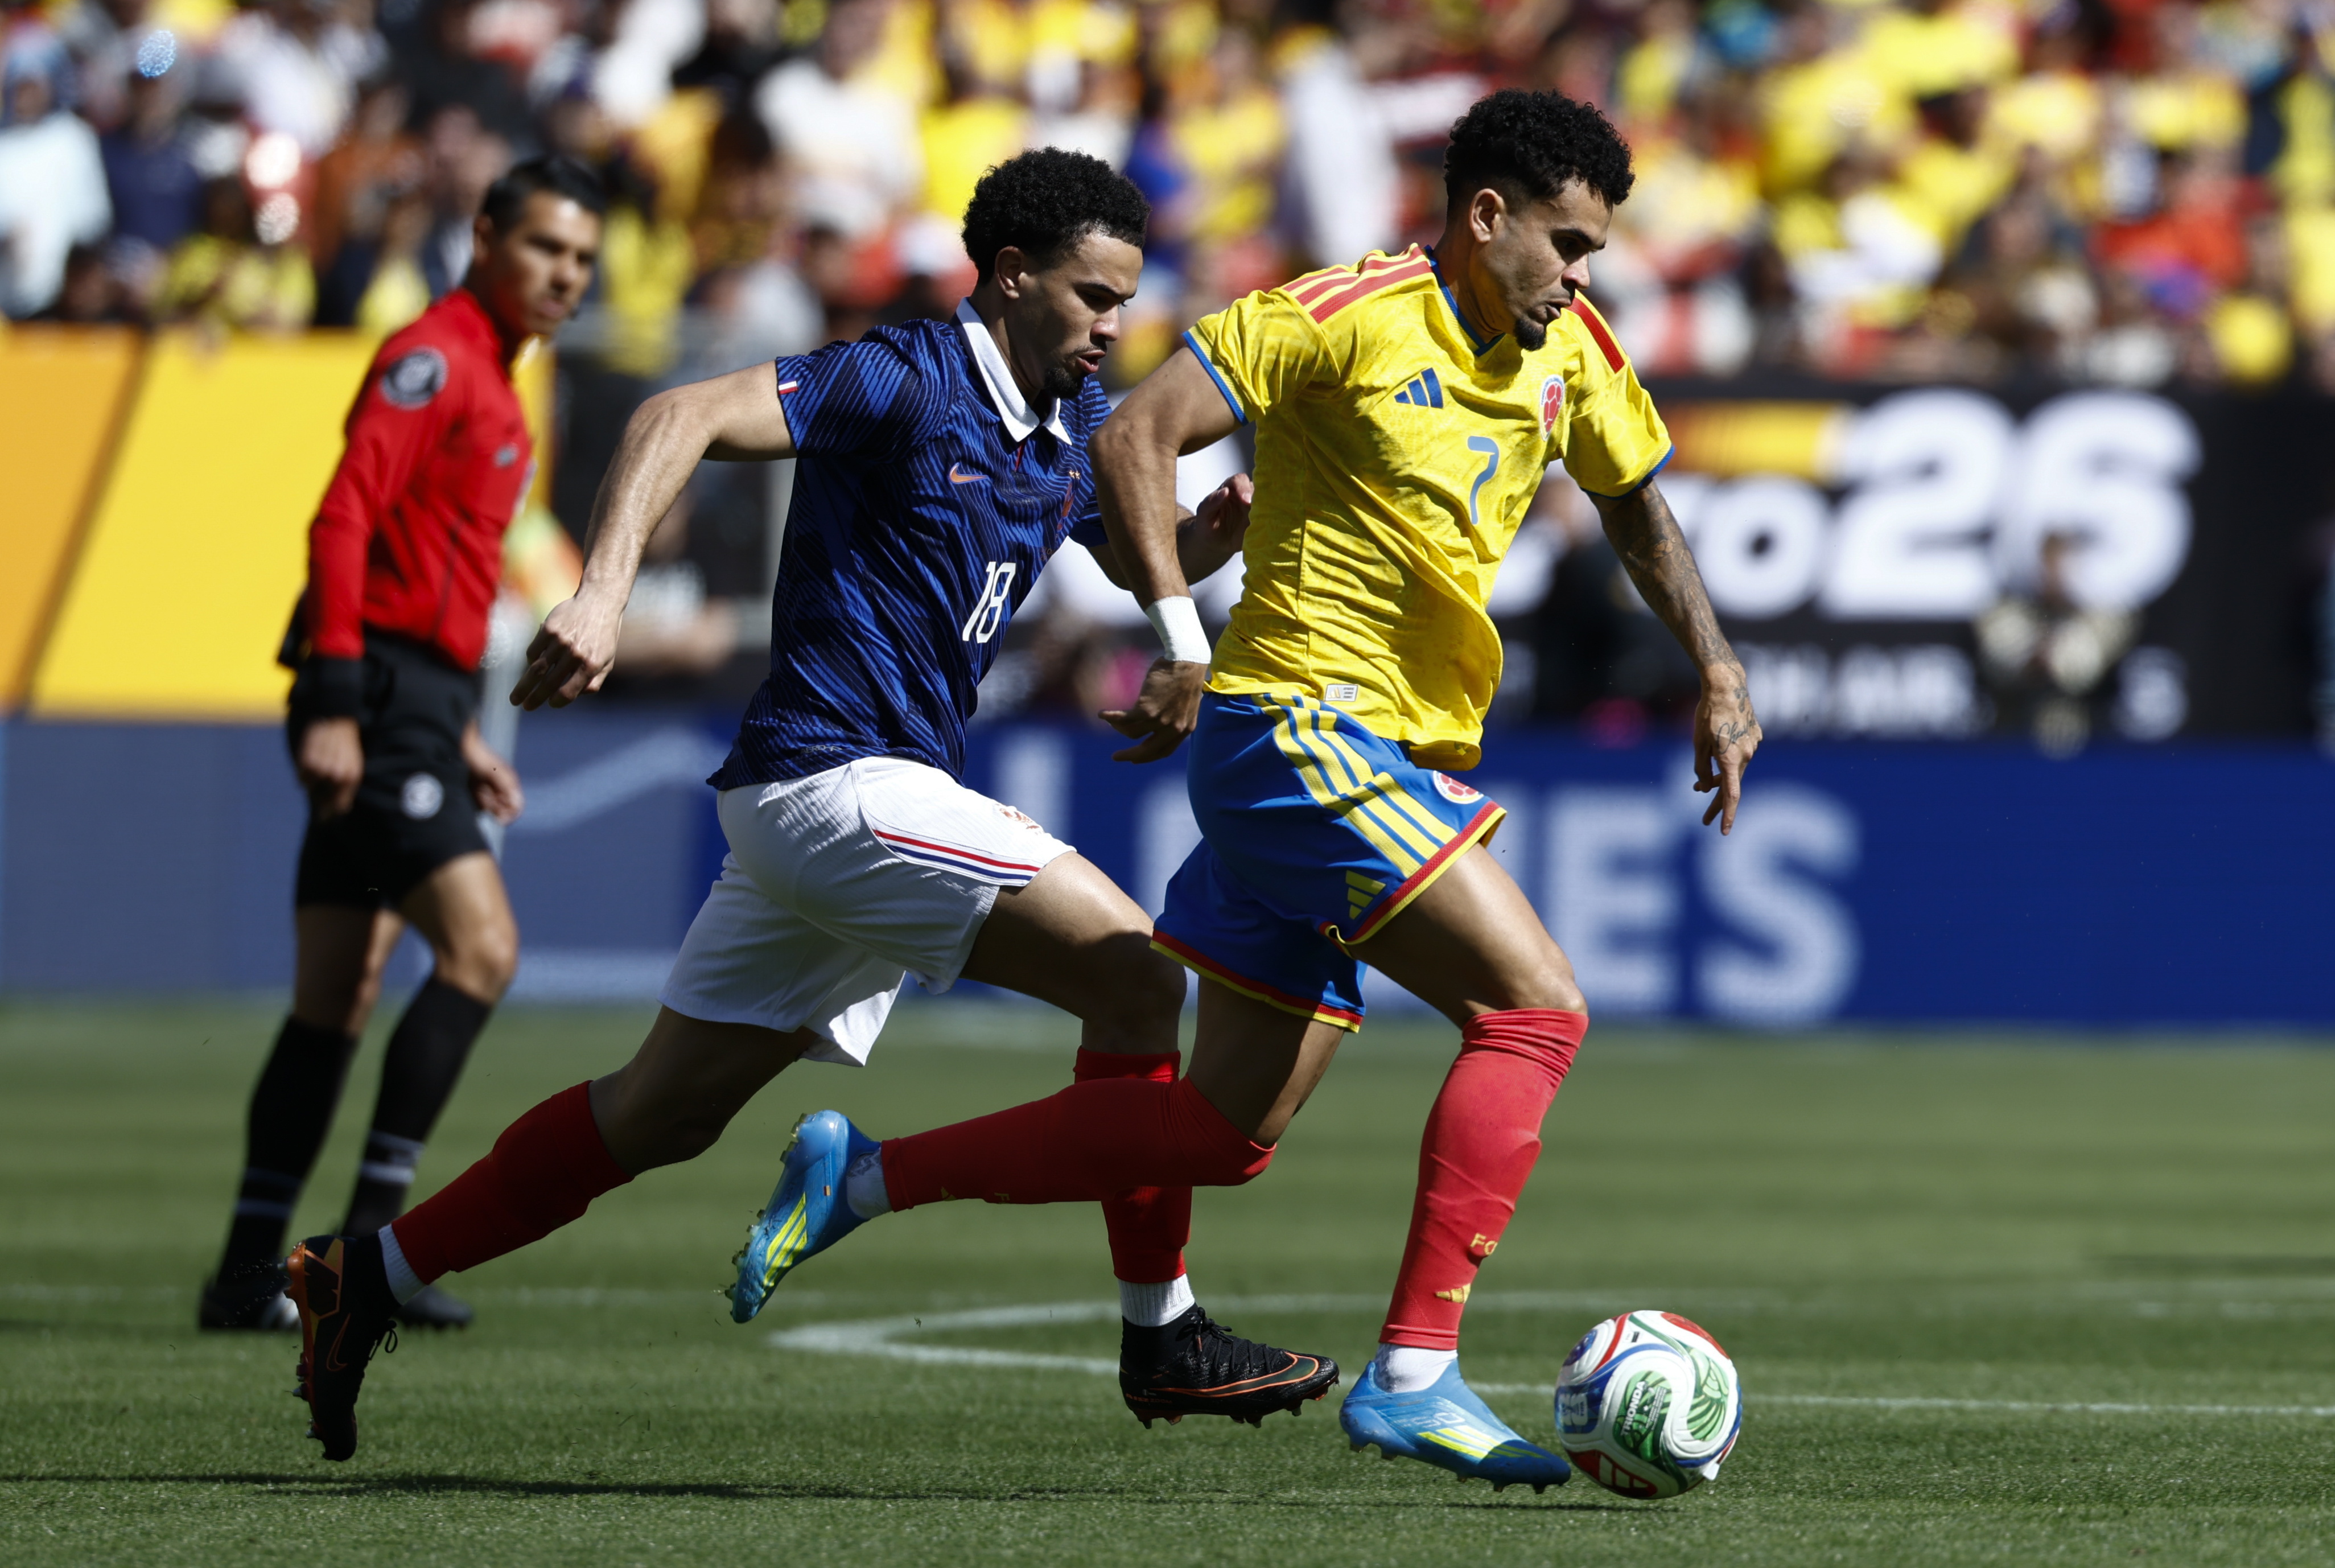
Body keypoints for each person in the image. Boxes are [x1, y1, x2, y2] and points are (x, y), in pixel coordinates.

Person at [751, 90, 1764, 1492]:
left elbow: (1639, 505)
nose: (1583, 275)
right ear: (1485, 217)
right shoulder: (1338, 312)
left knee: (1217, 1135)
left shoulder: (1571, 354)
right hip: (1296, 730)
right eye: (1567, 243)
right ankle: (1414, 1374)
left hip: (1381, 754)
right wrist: (1177, 632)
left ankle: (859, 1174)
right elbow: (1135, 440)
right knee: (1533, 1010)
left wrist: (1713, 668)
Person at [278, 149, 1339, 1465]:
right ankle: (1162, 1331)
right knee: (1136, 985)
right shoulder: (900, 374)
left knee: (656, 1113)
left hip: (840, 812)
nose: (1112, 325)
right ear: (1009, 279)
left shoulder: (1062, 430)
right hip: (835, 780)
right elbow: (676, 415)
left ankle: (366, 1274)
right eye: (1089, 295)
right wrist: (602, 591)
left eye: (1122, 298)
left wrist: (1200, 546)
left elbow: (1121, 552)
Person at [197, 157, 603, 1336]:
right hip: (367, 690)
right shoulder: (432, 356)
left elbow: (442, 574)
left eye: (580, 260)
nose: (564, 276)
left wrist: (462, 735)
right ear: (483, 238)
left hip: (414, 701)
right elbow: (345, 513)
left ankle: (243, 1274)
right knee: (481, 952)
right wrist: (332, 697)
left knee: (339, 989)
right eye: (543, 249)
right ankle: (370, 1260)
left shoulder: (501, 379)